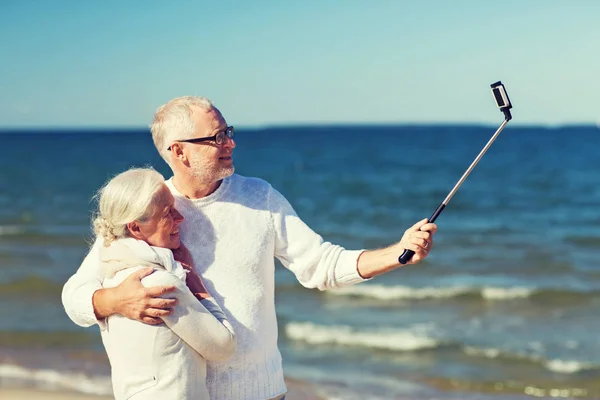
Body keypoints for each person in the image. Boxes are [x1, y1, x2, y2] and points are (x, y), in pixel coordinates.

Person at [62, 96, 437, 400]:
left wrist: (399, 253)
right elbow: (75, 295)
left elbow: (321, 266)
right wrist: (112, 301)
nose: (230, 143)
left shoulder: (260, 196)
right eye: (216, 137)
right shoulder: (147, 210)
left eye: (227, 132)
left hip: (263, 392)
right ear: (178, 151)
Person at [90, 167, 235, 400]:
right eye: (168, 213)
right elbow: (223, 346)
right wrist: (195, 281)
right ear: (135, 228)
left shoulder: (113, 278)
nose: (180, 218)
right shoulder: (160, 284)